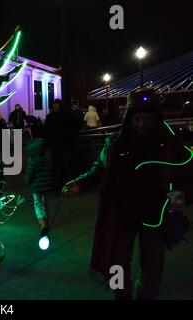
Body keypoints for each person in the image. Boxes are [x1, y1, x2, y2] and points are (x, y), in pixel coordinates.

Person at [62, 88, 193, 300]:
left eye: (147, 119)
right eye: (137, 118)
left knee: (152, 267)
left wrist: (183, 193)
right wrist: (79, 182)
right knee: (117, 262)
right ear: (129, 118)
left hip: (155, 217)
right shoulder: (116, 142)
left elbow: (189, 173)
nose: (142, 124)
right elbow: (99, 169)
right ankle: (120, 295)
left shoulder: (170, 144)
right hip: (120, 215)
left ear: (156, 118)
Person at [42, 99, 80, 189]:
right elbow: (75, 128)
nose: (55, 106)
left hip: (56, 145)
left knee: (57, 164)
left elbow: (46, 131)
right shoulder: (69, 116)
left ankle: (57, 183)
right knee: (65, 164)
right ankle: (66, 184)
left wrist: (48, 142)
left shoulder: (50, 117)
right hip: (65, 144)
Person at [24, 137, 53, 234]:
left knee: (37, 204)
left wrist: (26, 181)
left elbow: (29, 176)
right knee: (44, 203)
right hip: (45, 187)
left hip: (36, 188)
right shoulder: (47, 160)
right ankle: (46, 221)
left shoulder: (32, 162)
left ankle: (42, 223)